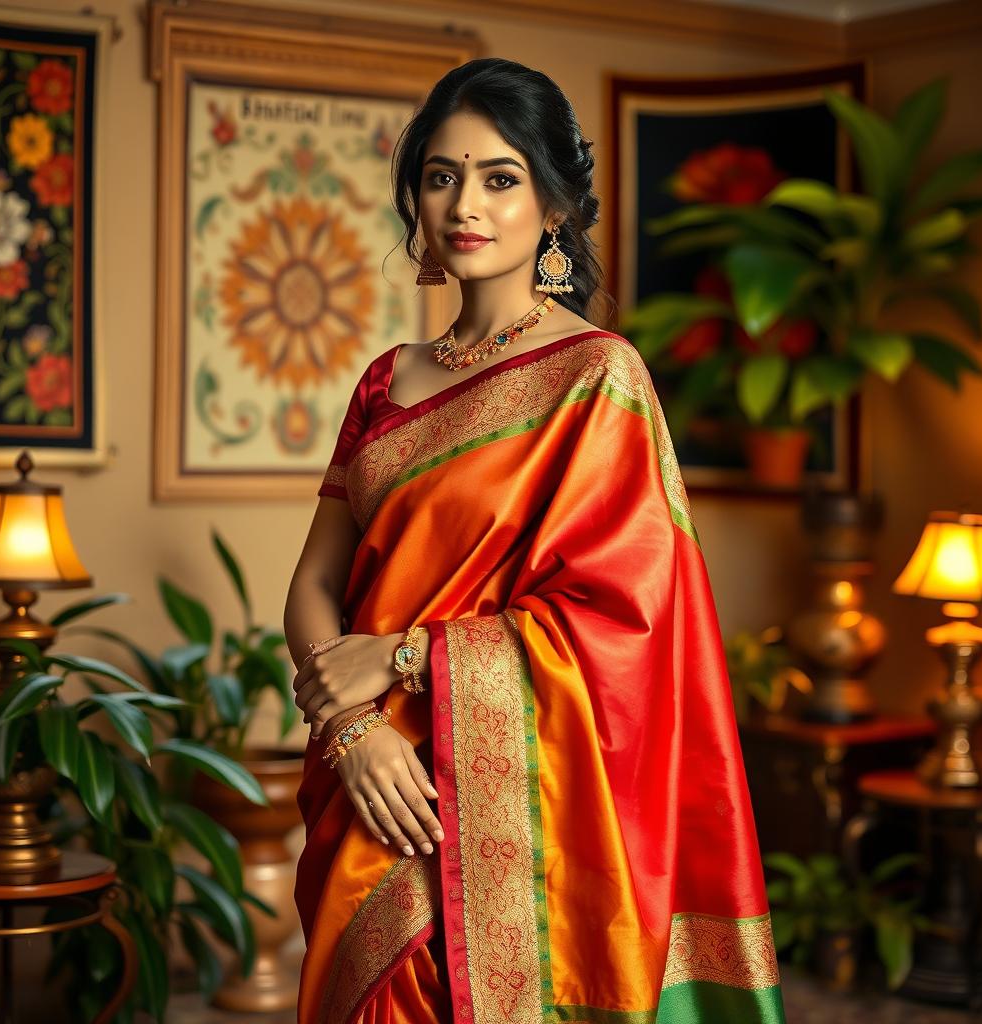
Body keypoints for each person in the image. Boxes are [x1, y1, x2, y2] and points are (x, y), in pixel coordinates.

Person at [286, 57, 786, 1024]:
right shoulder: (386, 381)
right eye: (441, 176)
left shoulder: (598, 378)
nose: (465, 203)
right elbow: (313, 583)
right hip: (371, 781)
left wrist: (400, 657)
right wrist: (353, 731)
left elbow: (625, 621)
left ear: (553, 207)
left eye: (500, 177)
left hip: (516, 802)